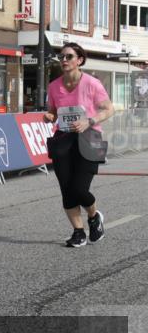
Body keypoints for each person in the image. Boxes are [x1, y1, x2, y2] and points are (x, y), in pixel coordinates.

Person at [42, 42, 114, 248]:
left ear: (79, 60)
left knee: (79, 188)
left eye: (69, 56)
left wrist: (89, 121)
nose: (63, 60)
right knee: (67, 189)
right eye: (61, 56)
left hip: (89, 138)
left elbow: (109, 109)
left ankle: (93, 216)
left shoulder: (92, 83)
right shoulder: (54, 86)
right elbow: (53, 111)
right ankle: (78, 231)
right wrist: (49, 116)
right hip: (63, 139)